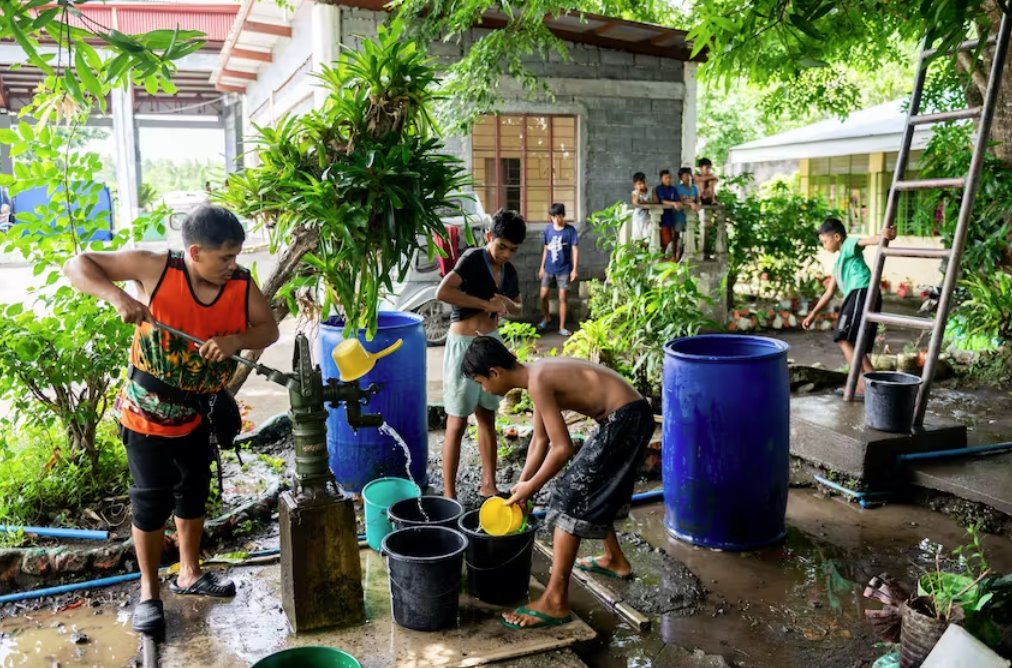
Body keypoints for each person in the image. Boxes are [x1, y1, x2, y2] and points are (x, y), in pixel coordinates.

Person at [63, 205, 280, 634]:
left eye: (236, 256)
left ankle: (189, 573)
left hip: (198, 412)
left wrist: (236, 339)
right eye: (225, 257)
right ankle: (149, 592)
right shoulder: (156, 268)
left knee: (193, 492)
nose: (233, 265)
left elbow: (269, 329)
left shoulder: (239, 284)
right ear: (195, 252)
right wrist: (119, 297)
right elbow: (77, 264)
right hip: (146, 412)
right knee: (150, 501)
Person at [461, 337, 654, 630]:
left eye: (480, 382)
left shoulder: (538, 380)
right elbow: (540, 441)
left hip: (627, 419)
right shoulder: (536, 376)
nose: (483, 389)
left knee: (568, 497)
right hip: (626, 417)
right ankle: (614, 559)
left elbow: (562, 448)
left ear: (495, 373)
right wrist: (522, 487)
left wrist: (532, 487)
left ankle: (554, 601)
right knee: (592, 486)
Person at [435, 209, 526, 500]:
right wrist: (485, 304)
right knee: (457, 420)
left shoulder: (509, 271)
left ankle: (489, 484)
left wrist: (505, 304)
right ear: (489, 236)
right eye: (502, 246)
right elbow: (443, 292)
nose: (506, 254)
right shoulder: (473, 259)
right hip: (463, 343)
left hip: (491, 343)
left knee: (487, 416)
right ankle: (449, 495)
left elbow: (519, 307)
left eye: (513, 250)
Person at [802, 217, 897, 396]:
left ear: (837, 237)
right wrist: (813, 314)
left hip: (861, 291)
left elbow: (865, 242)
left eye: (825, 241)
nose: (824, 245)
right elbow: (829, 292)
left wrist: (883, 236)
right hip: (862, 294)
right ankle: (876, 386)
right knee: (854, 343)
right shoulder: (839, 263)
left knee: (843, 337)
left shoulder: (847, 245)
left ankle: (860, 383)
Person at [537, 203, 579, 337]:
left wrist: (574, 270)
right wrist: (542, 267)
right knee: (543, 295)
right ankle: (546, 317)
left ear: (563, 215)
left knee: (563, 298)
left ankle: (561, 327)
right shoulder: (548, 230)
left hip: (564, 270)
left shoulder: (570, 231)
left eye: (558, 216)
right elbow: (546, 248)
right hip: (549, 268)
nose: (556, 219)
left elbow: (575, 250)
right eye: (553, 217)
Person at [654, 169, 682, 260]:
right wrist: (673, 203)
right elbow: (662, 201)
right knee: (664, 238)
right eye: (666, 178)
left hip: (673, 216)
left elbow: (678, 200)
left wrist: (678, 203)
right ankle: (663, 257)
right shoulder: (659, 189)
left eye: (669, 178)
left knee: (675, 237)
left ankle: (673, 257)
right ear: (661, 179)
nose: (668, 180)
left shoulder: (673, 189)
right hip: (663, 216)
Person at [672, 167, 700, 262]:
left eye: (688, 175)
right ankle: (674, 256)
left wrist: (697, 204)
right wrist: (691, 203)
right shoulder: (678, 188)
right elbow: (680, 200)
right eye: (684, 176)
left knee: (687, 237)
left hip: (690, 215)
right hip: (679, 215)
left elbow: (698, 200)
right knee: (676, 235)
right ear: (681, 178)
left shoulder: (694, 188)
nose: (687, 178)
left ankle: (680, 257)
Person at [629, 172, 655, 246]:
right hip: (638, 219)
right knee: (638, 240)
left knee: (647, 239)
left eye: (643, 183)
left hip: (648, 218)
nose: (642, 185)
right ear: (635, 185)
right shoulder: (634, 193)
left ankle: (646, 251)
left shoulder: (651, 190)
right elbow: (635, 202)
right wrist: (638, 191)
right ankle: (640, 252)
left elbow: (656, 201)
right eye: (639, 184)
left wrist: (644, 202)